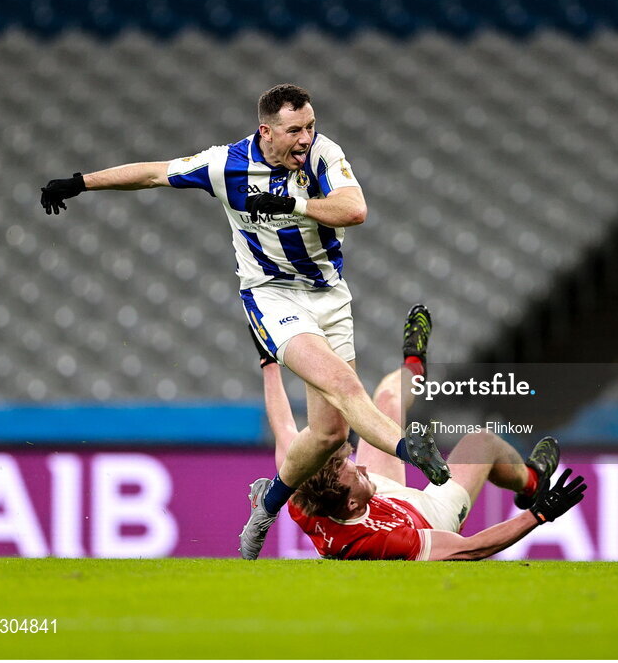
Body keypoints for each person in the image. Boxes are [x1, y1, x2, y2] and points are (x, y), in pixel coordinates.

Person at [39, 84, 450, 562]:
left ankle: (266, 506)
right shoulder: (225, 165)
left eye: (310, 126)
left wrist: (293, 206)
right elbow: (154, 173)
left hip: (330, 296)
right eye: (295, 130)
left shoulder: (324, 154)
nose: (306, 137)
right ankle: (410, 449)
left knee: (331, 435)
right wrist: (80, 182)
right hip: (272, 296)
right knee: (342, 383)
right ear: (267, 132)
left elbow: (354, 209)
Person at [249, 304, 585, 560]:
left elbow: (285, 432)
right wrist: (538, 513)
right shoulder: (386, 541)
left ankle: (413, 365)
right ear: (351, 503)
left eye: (354, 464)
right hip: (428, 514)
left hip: (382, 497)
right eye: (359, 476)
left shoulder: (305, 498)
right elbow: (470, 549)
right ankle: (531, 481)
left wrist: (269, 363)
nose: (363, 466)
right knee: (481, 442)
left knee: (383, 402)